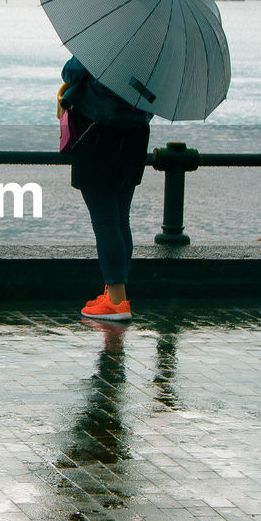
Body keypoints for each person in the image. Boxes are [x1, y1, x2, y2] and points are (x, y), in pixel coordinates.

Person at [58, 55, 152, 321]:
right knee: (121, 217)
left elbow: (71, 72)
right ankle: (115, 292)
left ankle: (117, 302)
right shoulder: (155, 54)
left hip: (98, 132)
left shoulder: (111, 41)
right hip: (135, 135)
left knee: (104, 219)